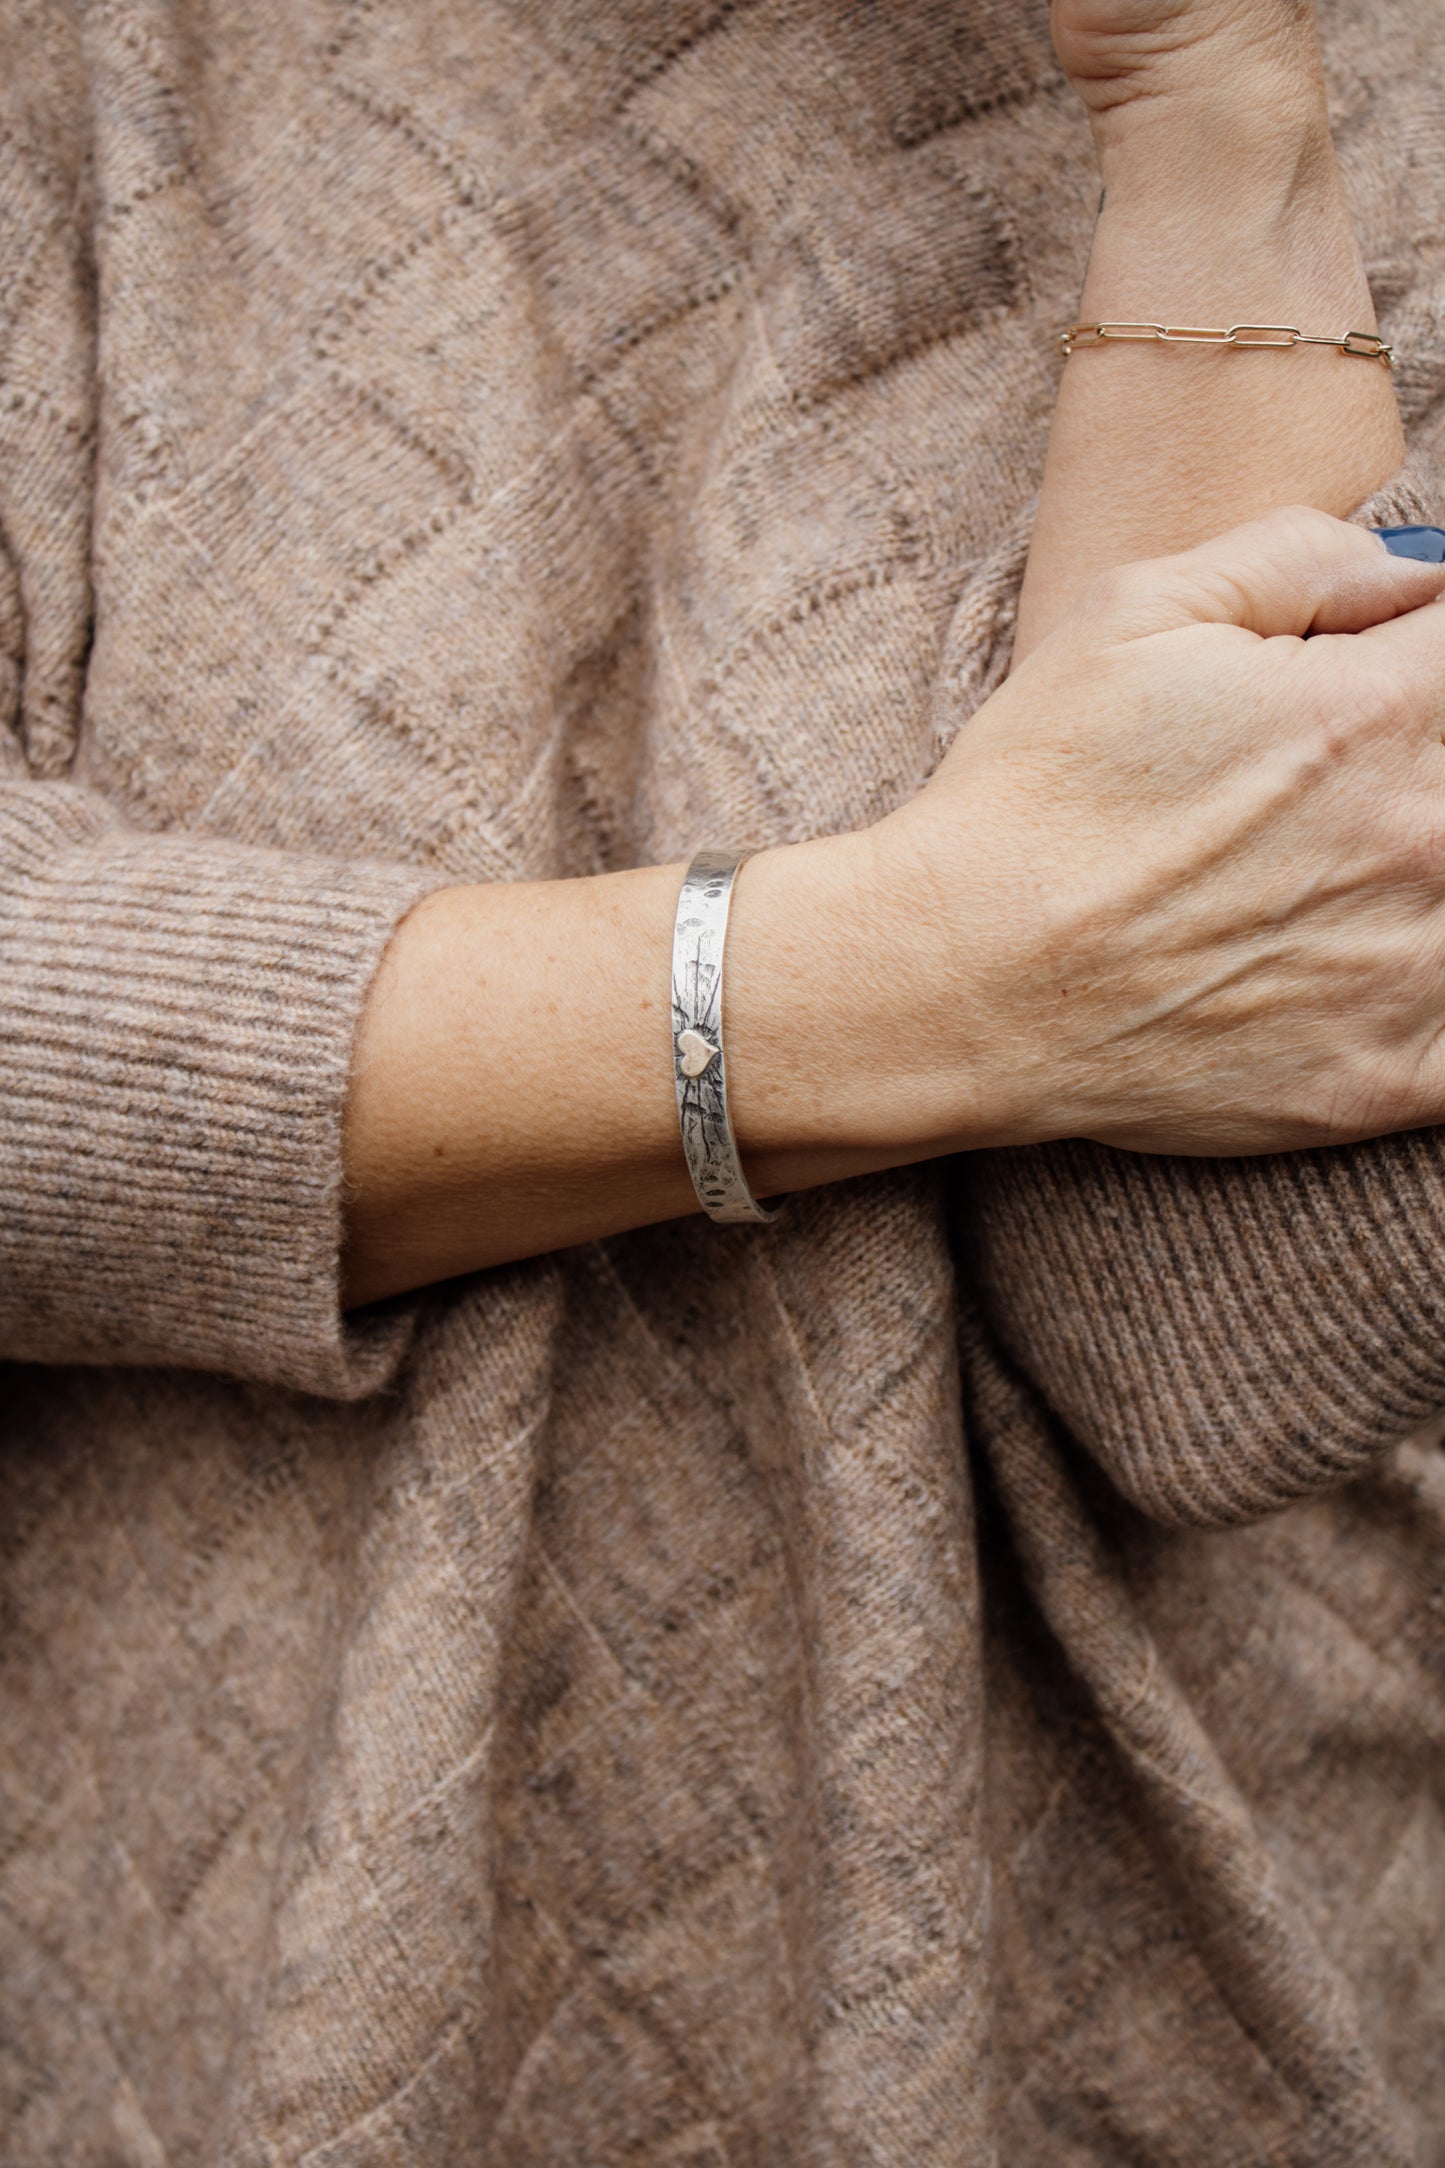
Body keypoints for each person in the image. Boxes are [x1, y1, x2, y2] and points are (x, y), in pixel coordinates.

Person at [1, 0, 1440, 2158]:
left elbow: (1223, 1347)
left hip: (1149, 2028)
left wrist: (1216, 113)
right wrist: (942, 985)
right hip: (175, 1979)